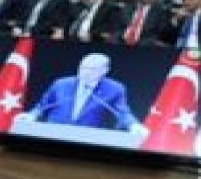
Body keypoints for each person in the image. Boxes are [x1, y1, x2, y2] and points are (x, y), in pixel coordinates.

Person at [19, 53, 147, 136]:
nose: (85, 72)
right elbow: (43, 105)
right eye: (83, 67)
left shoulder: (114, 89)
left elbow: (122, 112)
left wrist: (133, 125)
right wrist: (31, 115)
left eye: (92, 69)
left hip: (88, 135)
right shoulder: (61, 83)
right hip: (54, 131)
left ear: (105, 71)